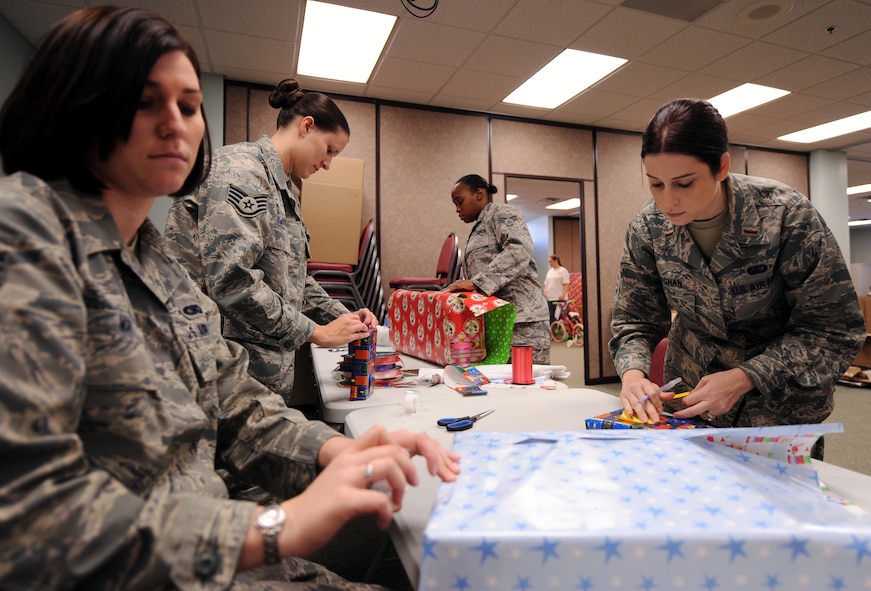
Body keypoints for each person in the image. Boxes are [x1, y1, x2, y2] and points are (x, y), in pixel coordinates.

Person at [0, 7, 459, 589]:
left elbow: (229, 397)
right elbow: (32, 520)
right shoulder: (22, 240)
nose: (177, 124)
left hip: (192, 539)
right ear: (73, 103)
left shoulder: (151, 258)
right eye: (147, 101)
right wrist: (274, 528)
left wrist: (333, 452)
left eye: (189, 106)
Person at [608, 97, 865, 458]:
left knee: (777, 509)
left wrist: (747, 376)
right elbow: (634, 319)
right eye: (656, 184)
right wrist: (633, 375)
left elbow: (833, 329)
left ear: (721, 166)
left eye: (684, 183)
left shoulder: (787, 216)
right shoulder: (648, 228)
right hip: (691, 403)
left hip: (778, 411)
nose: (669, 201)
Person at [164, 78, 377, 404]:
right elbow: (232, 281)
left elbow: (294, 282)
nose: (328, 164)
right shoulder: (241, 172)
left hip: (257, 380)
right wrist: (315, 332)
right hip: (221, 371)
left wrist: (343, 317)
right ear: (307, 126)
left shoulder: (283, 192)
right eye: (330, 150)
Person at [444, 174, 551, 364]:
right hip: (500, 320)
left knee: (527, 386)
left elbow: (519, 249)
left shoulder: (502, 213)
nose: (457, 209)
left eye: (459, 201)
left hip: (523, 321)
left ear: (479, 194)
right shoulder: (479, 227)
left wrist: (477, 283)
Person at [544, 254, 571, 324]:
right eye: (548, 262)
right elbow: (546, 284)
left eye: (551, 261)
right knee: (551, 317)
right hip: (550, 298)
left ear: (556, 260)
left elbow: (566, 284)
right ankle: (552, 332)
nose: (550, 263)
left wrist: (563, 294)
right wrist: (545, 291)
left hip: (560, 298)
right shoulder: (549, 272)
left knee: (560, 317)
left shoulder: (563, 271)